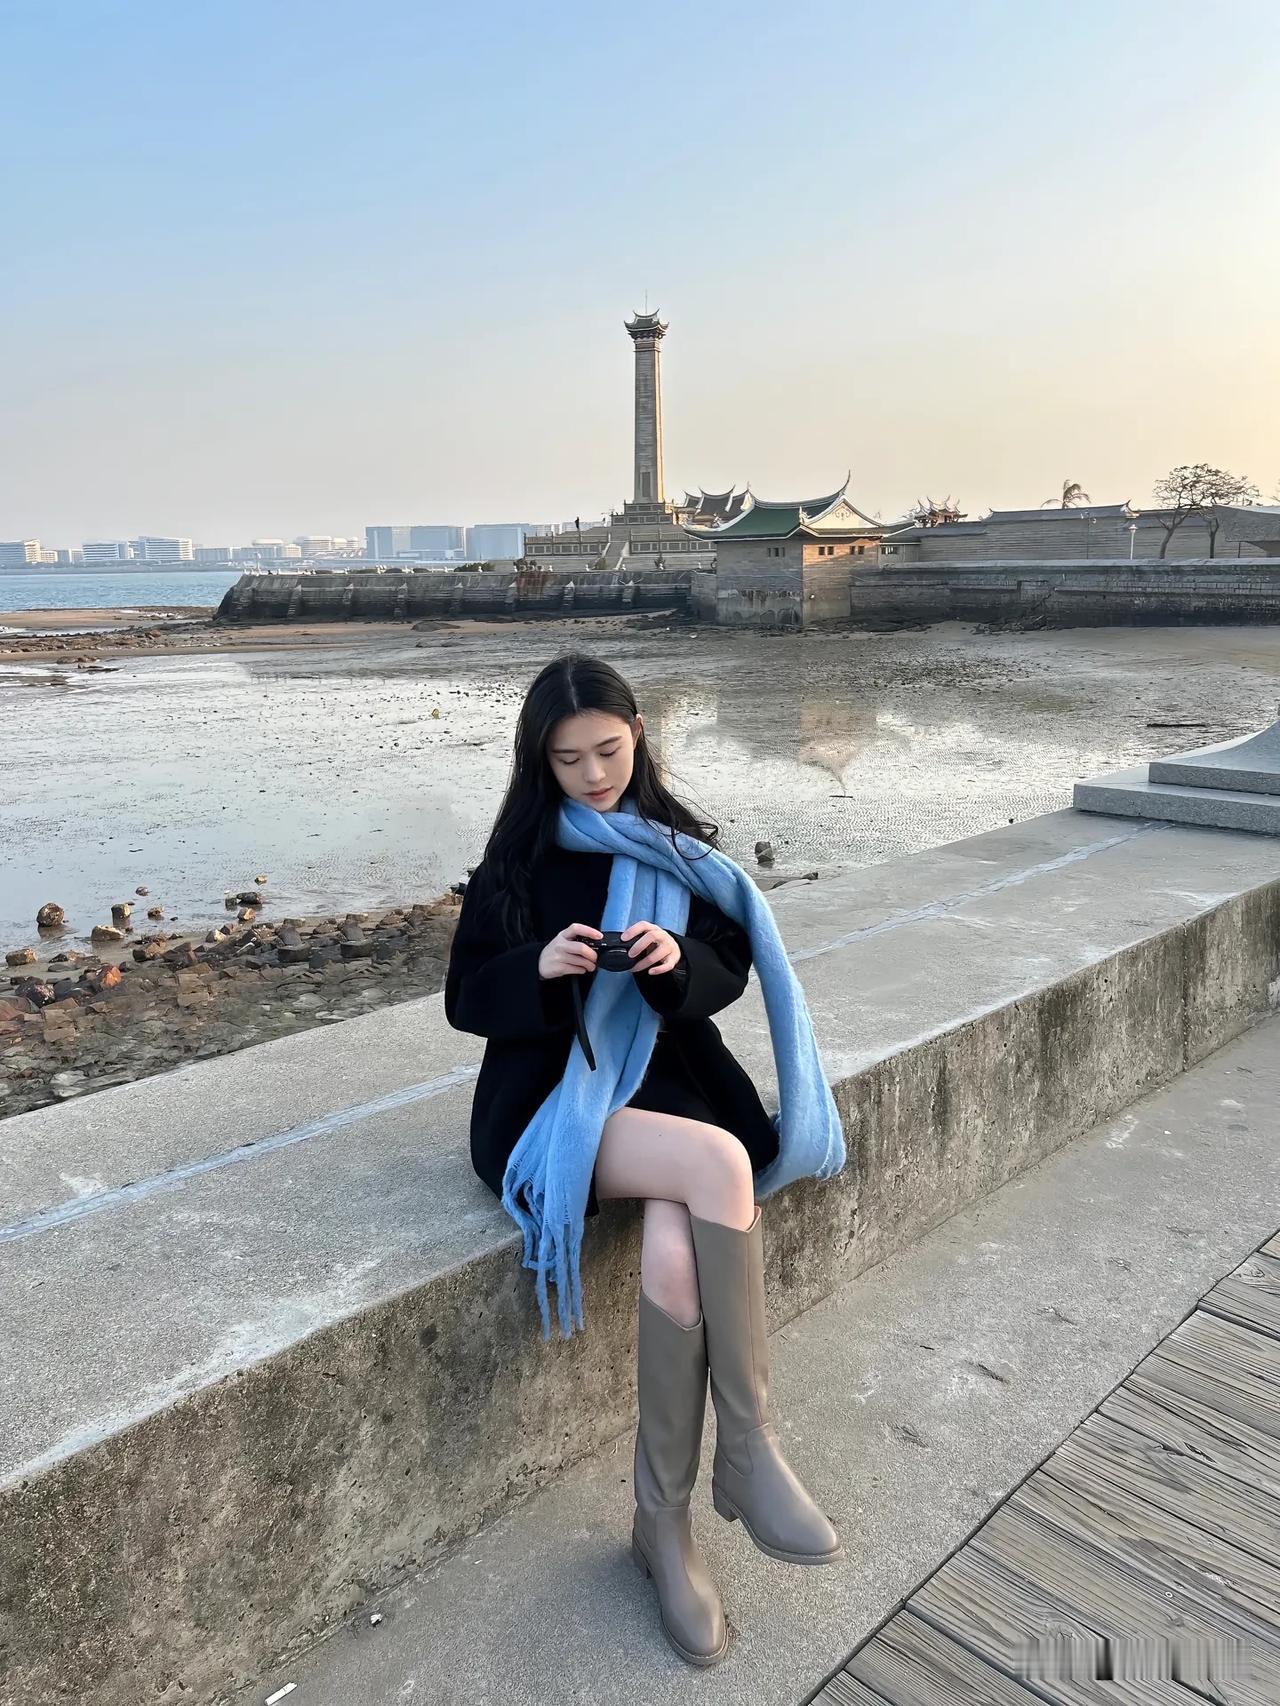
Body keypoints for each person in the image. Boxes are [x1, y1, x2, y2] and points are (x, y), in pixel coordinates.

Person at [444, 652, 845, 1668]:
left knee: (673, 1257)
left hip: (668, 1076)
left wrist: (675, 966)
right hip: (552, 1096)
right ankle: (749, 1451)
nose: (591, 774)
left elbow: (726, 970)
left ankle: (660, 1527)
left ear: (638, 737)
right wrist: (539, 968)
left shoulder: (681, 850)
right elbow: (466, 999)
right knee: (717, 1165)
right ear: (538, 760)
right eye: (567, 758)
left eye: (608, 751)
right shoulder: (518, 857)